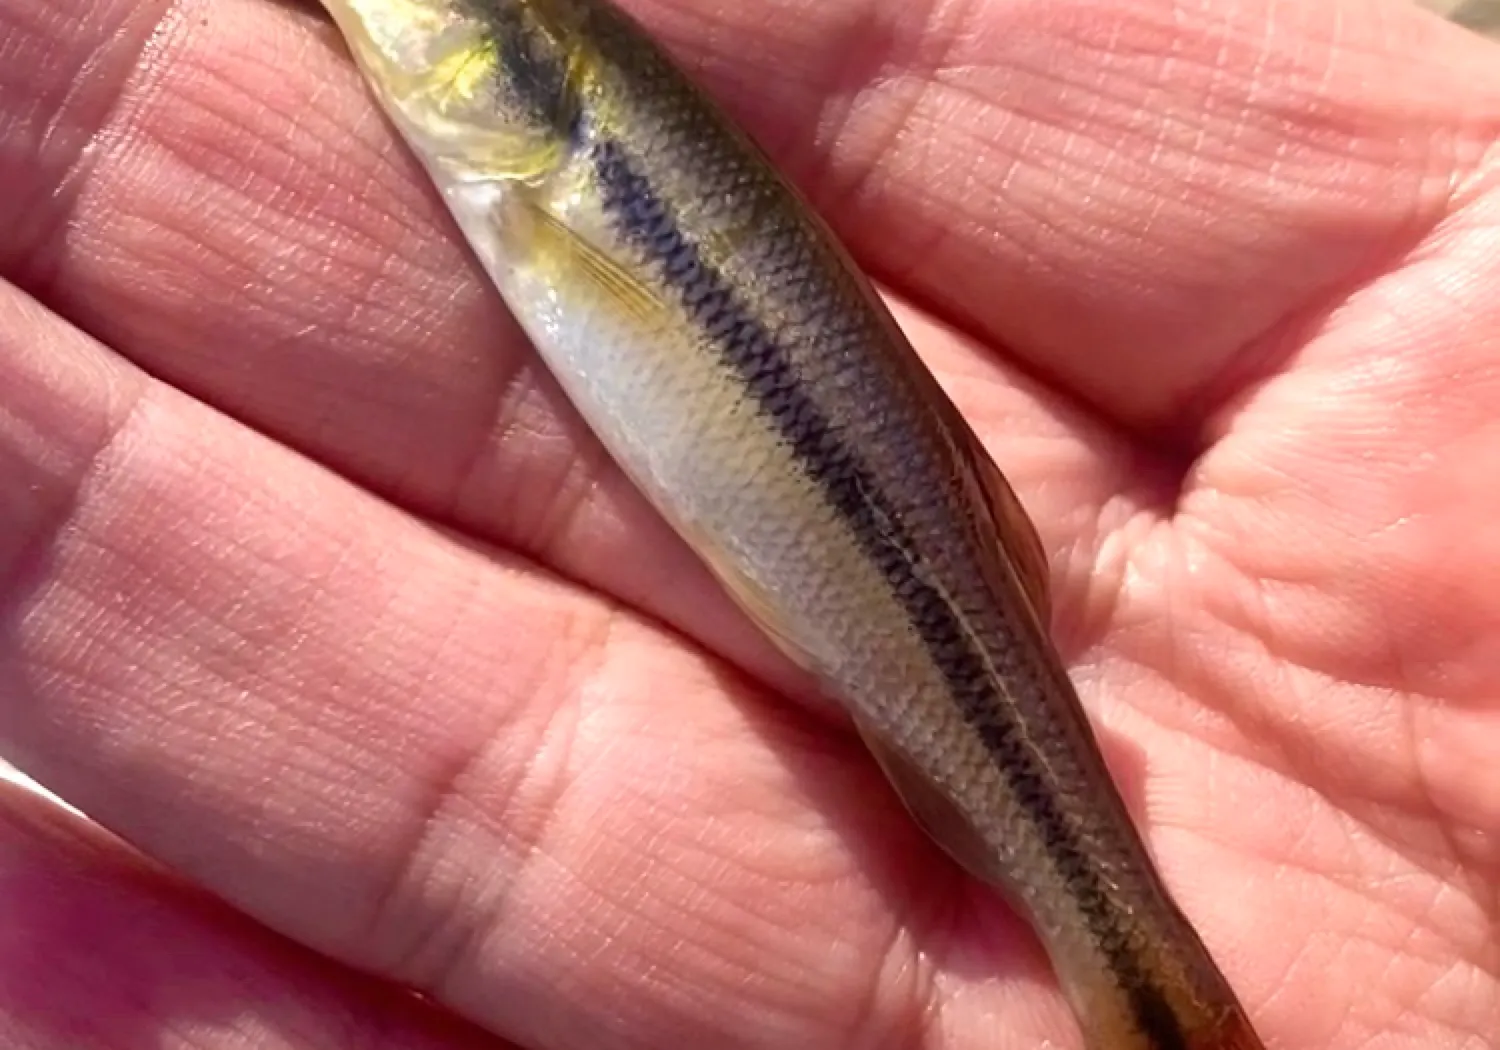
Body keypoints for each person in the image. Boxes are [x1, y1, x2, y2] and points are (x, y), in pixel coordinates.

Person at [1, 0, 1496, 1045]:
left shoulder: (554, 173)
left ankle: (1139, 971)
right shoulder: (537, 165)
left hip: (871, 539)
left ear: (526, 78)